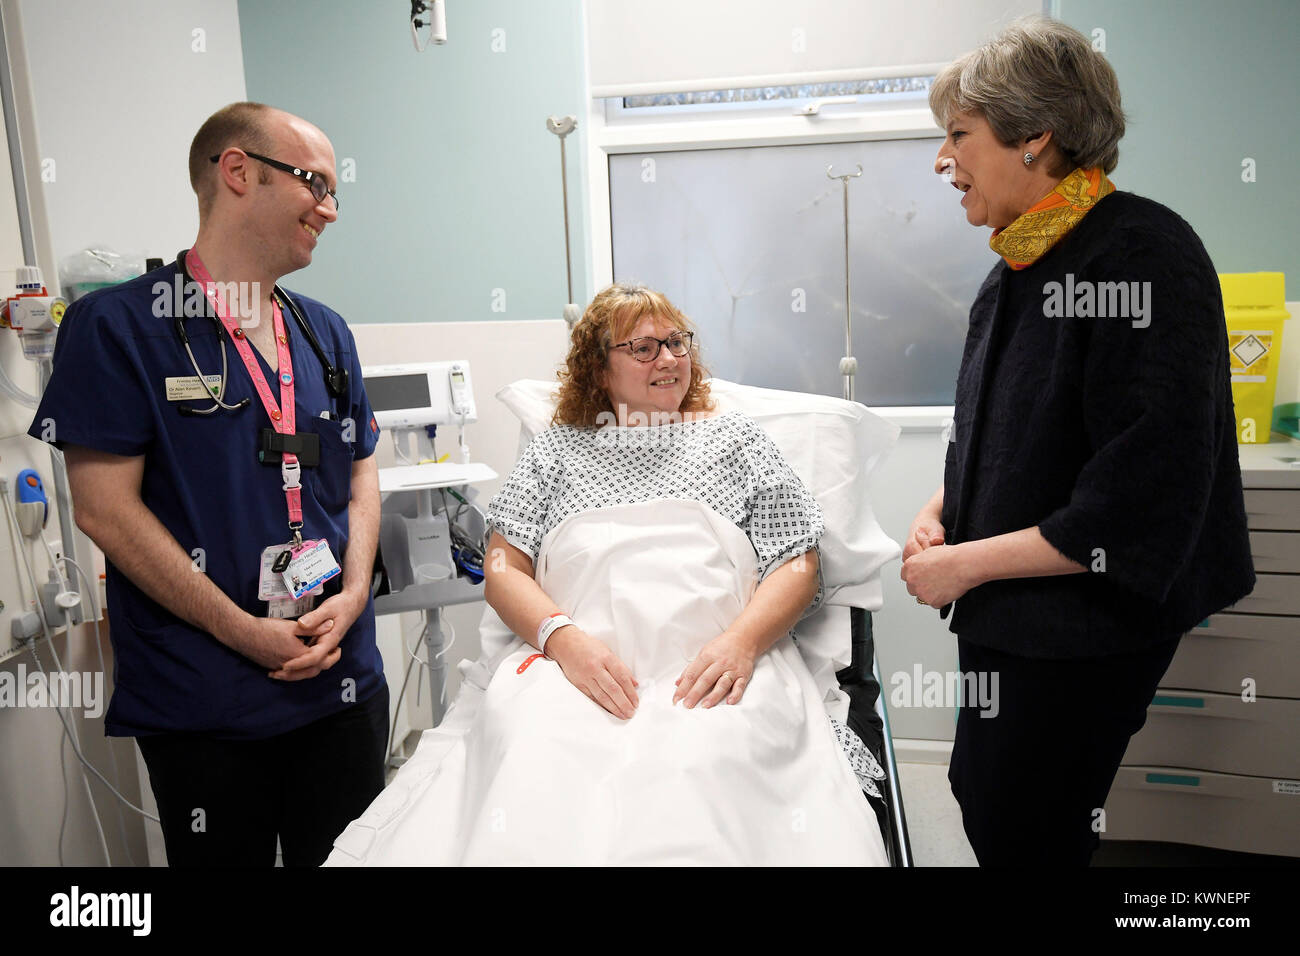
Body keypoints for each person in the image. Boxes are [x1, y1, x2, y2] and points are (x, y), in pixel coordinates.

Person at [326, 283, 888, 865]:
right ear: (599, 368)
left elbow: (799, 560)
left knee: (708, 764)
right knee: (535, 757)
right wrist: (562, 641)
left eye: (676, 342)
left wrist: (742, 645)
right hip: (574, 667)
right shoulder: (555, 451)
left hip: (711, 670)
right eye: (644, 348)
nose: (669, 359)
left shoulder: (734, 439)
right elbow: (502, 568)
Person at [901, 17, 1255, 865]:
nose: (942, 160)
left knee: (1028, 824)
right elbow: (1011, 429)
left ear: (1034, 138)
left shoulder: (1141, 253)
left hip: (1081, 621)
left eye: (958, 135)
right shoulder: (1015, 269)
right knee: (979, 794)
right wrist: (942, 506)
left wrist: (967, 564)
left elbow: (1140, 494)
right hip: (1008, 608)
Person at [28, 102, 387, 867]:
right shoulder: (117, 327)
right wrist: (242, 631)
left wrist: (355, 595)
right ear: (237, 172)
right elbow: (103, 510)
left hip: (340, 686)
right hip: (208, 699)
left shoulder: (326, 333)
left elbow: (360, 475)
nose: (329, 208)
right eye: (314, 183)